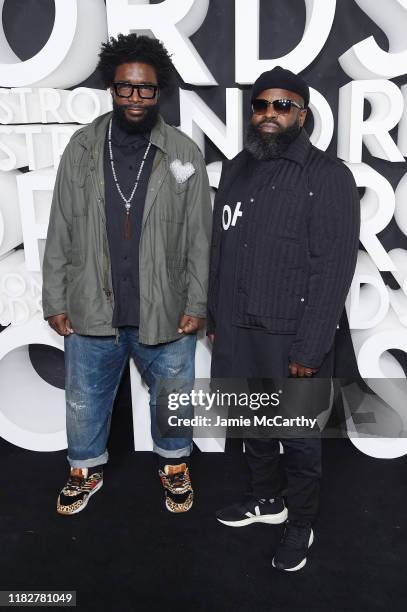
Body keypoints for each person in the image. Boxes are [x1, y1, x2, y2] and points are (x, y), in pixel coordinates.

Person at [42, 33, 212, 516]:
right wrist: (55, 299)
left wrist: (197, 304)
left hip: (166, 306)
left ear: (159, 92)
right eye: (126, 88)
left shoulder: (183, 153)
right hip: (94, 304)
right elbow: (60, 228)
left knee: (174, 398)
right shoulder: (82, 148)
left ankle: (175, 466)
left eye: (146, 89)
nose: (135, 98)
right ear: (111, 88)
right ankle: (85, 469)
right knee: (84, 400)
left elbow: (200, 237)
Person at [207, 66, 360, 570]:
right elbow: (220, 249)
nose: (269, 113)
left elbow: (333, 269)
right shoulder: (236, 168)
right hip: (237, 330)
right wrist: (216, 318)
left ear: (303, 114)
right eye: (261, 105)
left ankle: (301, 522)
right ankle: (267, 502)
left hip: (292, 338)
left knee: (298, 437)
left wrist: (309, 348)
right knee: (251, 424)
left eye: (282, 105)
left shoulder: (328, 176)